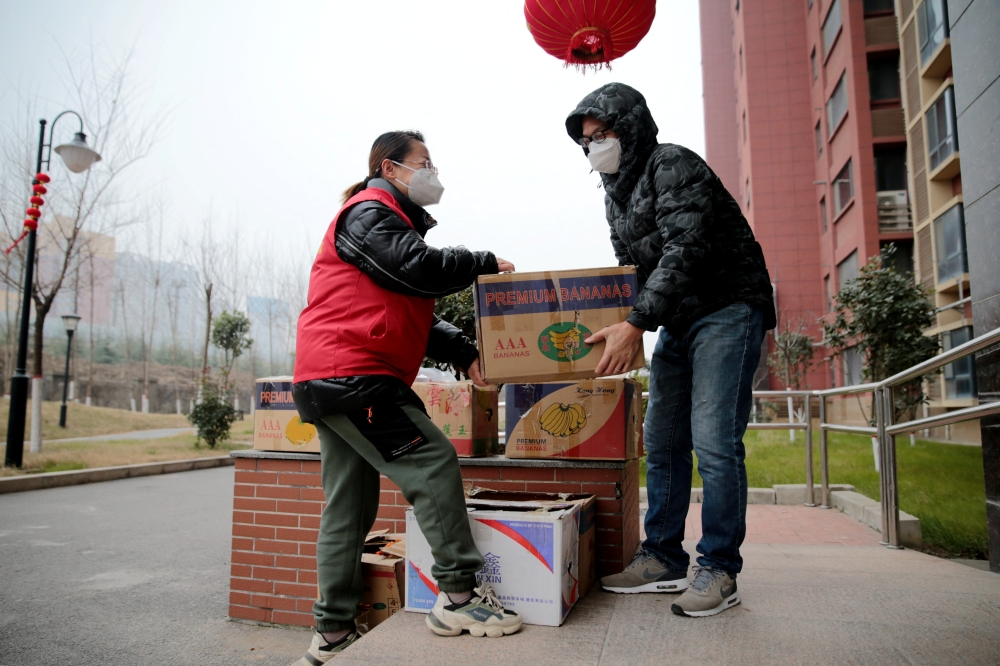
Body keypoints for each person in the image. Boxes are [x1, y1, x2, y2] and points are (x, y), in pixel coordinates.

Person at [291, 130, 522, 664]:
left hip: (334, 378)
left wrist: (465, 353)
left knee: (348, 506)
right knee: (434, 460)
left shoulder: (385, 222)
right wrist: (481, 261)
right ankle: (461, 596)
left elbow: (413, 308)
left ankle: (332, 632)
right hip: (355, 375)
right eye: (425, 162)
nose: (433, 171)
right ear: (391, 168)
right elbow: (416, 267)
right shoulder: (368, 212)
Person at [566, 84, 776, 617]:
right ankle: (662, 555)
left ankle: (720, 569)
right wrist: (616, 323)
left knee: (714, 440)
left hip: (728, 307)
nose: (595, 148)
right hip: (678, 319)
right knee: (659, 439)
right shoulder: (614, 195)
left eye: (602, 134)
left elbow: (687, 248)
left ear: (629, 126)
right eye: (587, 141)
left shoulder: (672, 164)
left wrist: (636, 321)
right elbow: (627, 274)